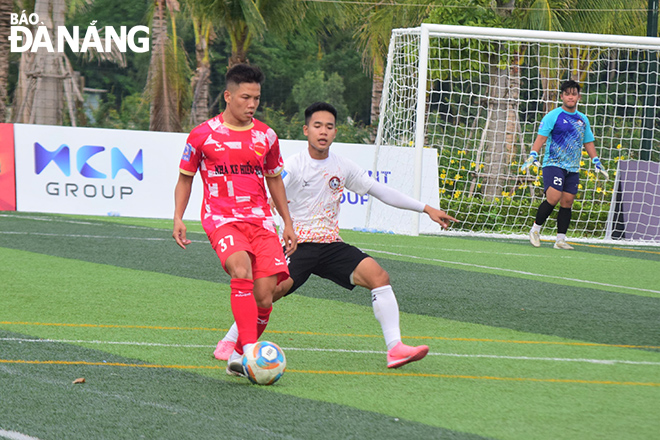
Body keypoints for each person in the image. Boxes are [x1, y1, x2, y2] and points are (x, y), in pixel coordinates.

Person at [214, 101, 458, 369]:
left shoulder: (343, 166)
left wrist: (425, 208)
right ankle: (230, 341)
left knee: (379, 277)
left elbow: (380, 191)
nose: (323, 132)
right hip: (300, 244)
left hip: (331, 245)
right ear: (306, 130)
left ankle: (395, 348)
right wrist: (278, 223)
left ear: (335, 132)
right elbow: (272, 191)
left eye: (329, 127)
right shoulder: (294, 165)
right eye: (317, 126)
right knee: (268, 293)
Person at [173, 64, 297, 377]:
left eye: (256, 98)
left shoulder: (266, 135)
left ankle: (240, 352)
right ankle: (253, 354)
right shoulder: (203, 135)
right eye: (245, 97)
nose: (252, 104)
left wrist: (287, 222)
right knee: (241, 268)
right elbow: (185, 179)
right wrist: (178, 216)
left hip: (261, 221)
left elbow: (275, 179)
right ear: (228, 96)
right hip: (221, 217)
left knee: (266, 294)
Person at [521, 80, 608, 250]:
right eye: (567, 94)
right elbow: (541, 137)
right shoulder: (553, 116)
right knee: (553, 198)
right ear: (562, 96)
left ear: (578, 97)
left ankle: (560, 240)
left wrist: (596, 160)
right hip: (553, 164)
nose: (570, 97)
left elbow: (588, 141)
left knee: (567, 202)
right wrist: (533, 154)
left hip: (573, 167)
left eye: (573, 94)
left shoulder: (583, 120)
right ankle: (535, 230)